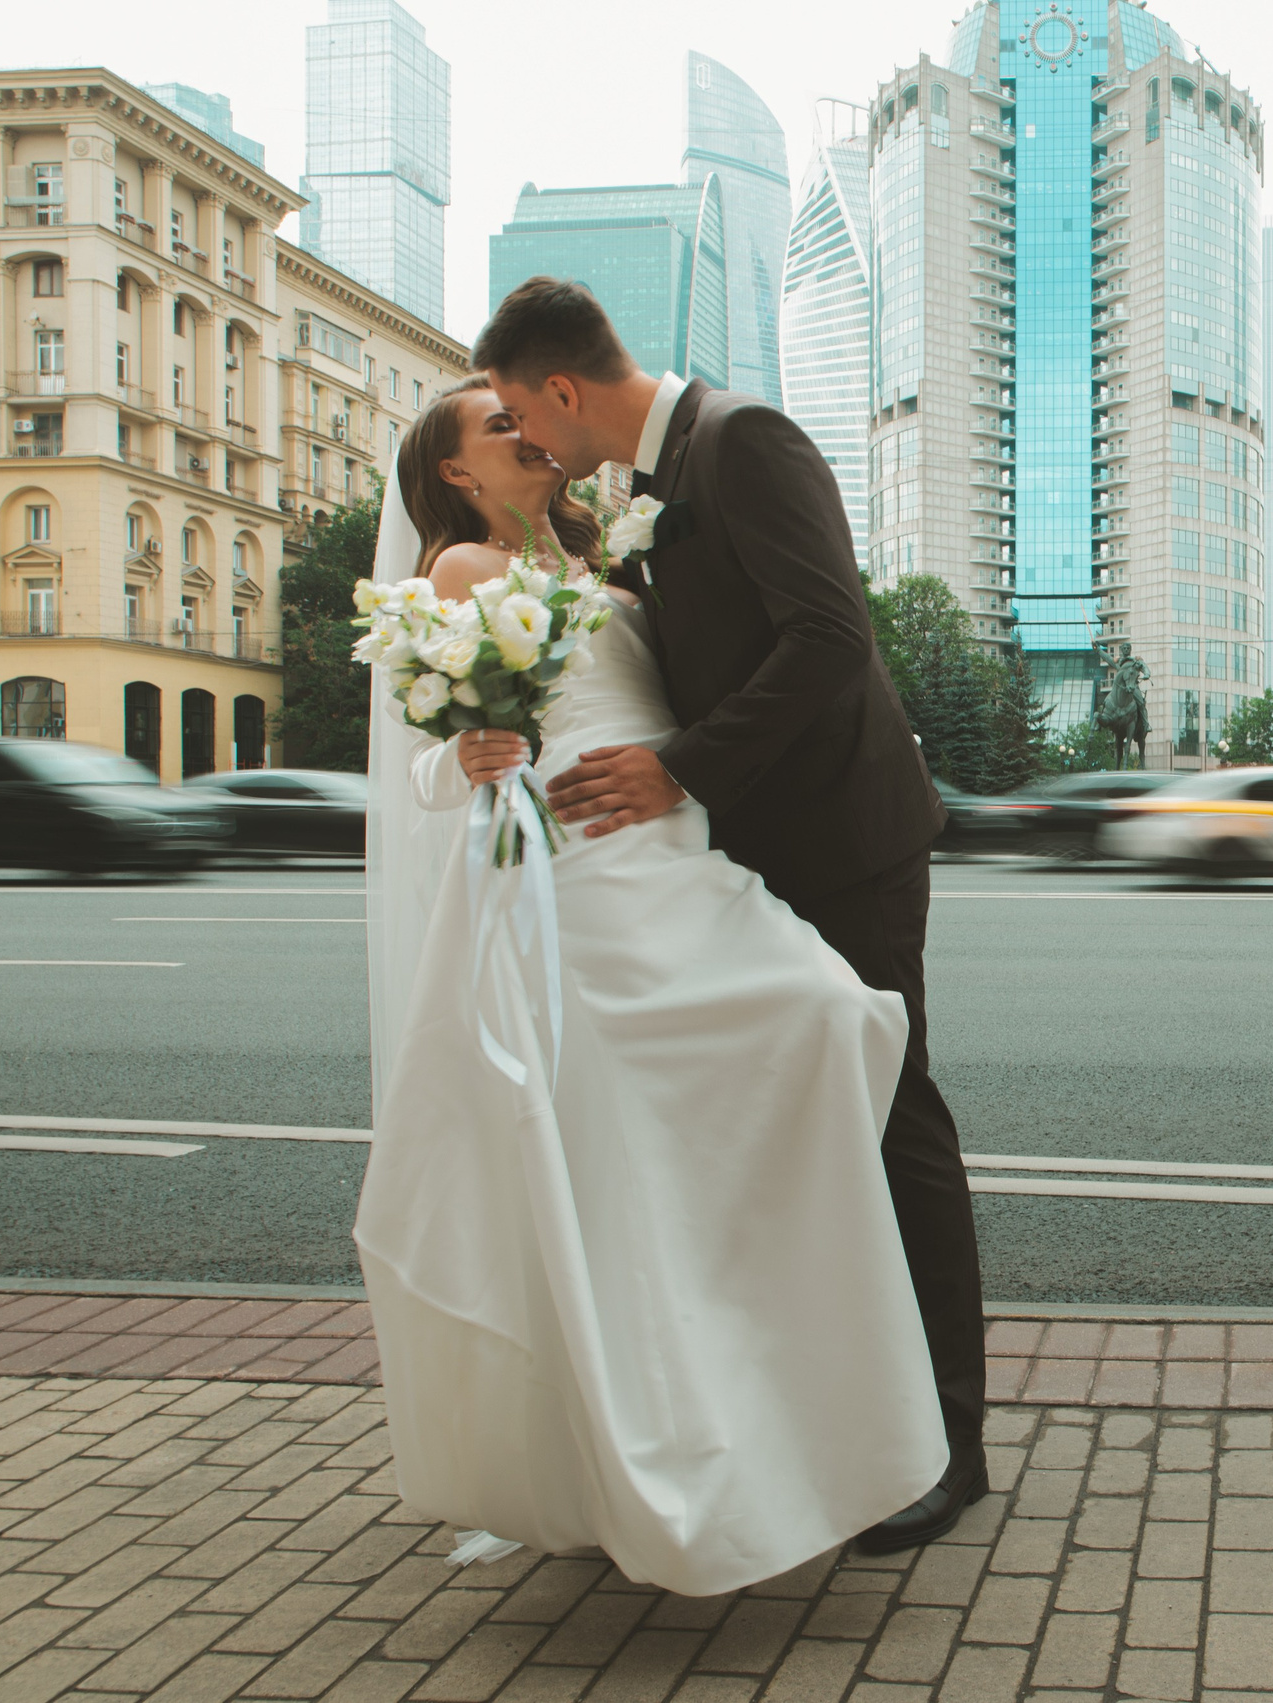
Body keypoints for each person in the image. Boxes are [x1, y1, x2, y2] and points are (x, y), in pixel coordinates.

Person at [356, 378, 947, 1593]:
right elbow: (419, 766)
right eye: (496, 429)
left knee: (824, 1024)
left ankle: (777, 1403)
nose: (524, 435)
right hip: (571, 873)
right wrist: (469, 758)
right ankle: (639, 1446)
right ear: (457, 473)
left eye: (523, 416)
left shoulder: (610, 542)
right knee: (616, 1159)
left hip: (672, 844)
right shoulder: (461, 567)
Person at [472, 278, 989, 1552]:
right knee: (794, 1125)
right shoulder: (642, 484)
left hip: (843, 837)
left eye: (519, 418)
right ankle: (821, 1413)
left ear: (561, 391)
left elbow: (828, 638)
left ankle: (954, 1442)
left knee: (890, 1106)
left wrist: (681, 768)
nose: (526, 443)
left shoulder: (742, 436)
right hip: (743, 853)